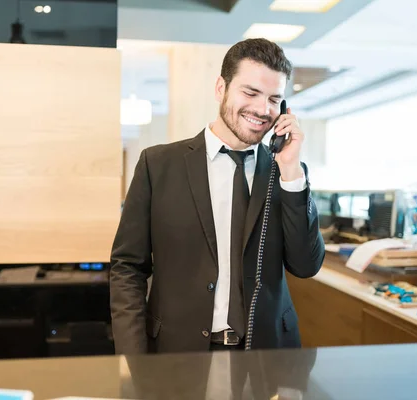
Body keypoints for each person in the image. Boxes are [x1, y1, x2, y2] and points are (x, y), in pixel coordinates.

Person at [109, 37, 325, 355]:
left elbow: (305, 265)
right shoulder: (157, 165)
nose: (262, 109)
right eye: (250, 93)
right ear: (220, 88)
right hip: (178, 353)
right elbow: (128, 267)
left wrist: (291, 172)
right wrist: (131, 356)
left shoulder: (287, 172)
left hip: (267, 354)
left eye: (274, 99)